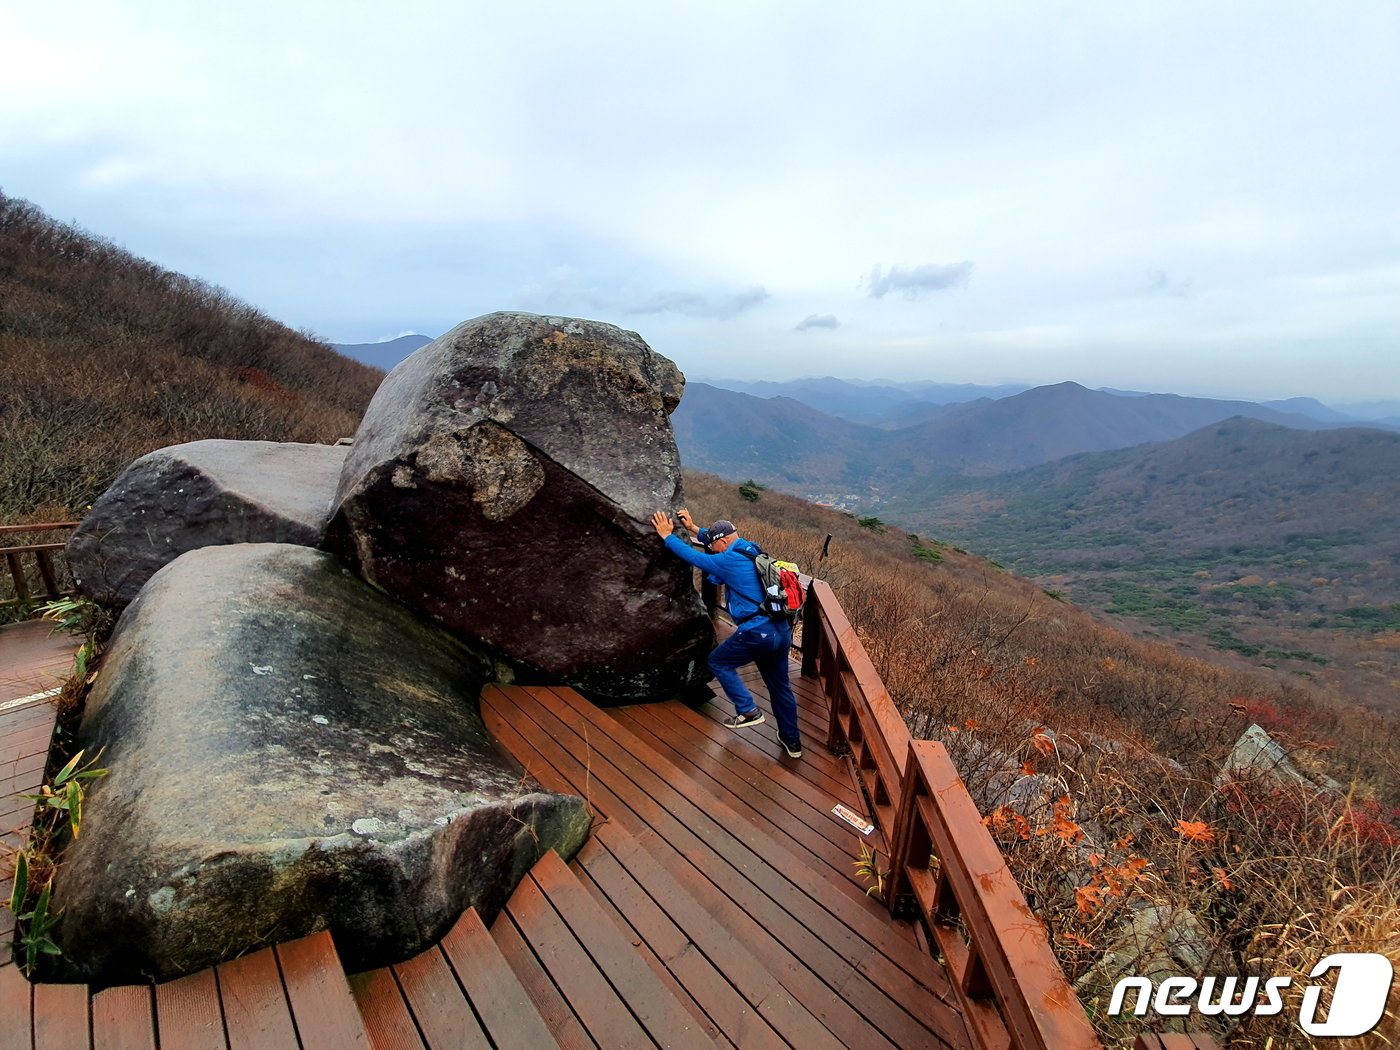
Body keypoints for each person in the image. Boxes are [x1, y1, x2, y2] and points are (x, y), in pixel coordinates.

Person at [651, 508, 802, 759]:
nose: (714, 550)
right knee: (780, 688)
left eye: (715, 545)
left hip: (757, 633)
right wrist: (693, 528)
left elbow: (694, 558)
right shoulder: (750, 549)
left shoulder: (729, 560)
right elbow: (714, 544)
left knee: (718, 661)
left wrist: (668, 536)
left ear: (723, 542)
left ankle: (748, 710)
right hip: (780, 630)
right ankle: (792, 742)